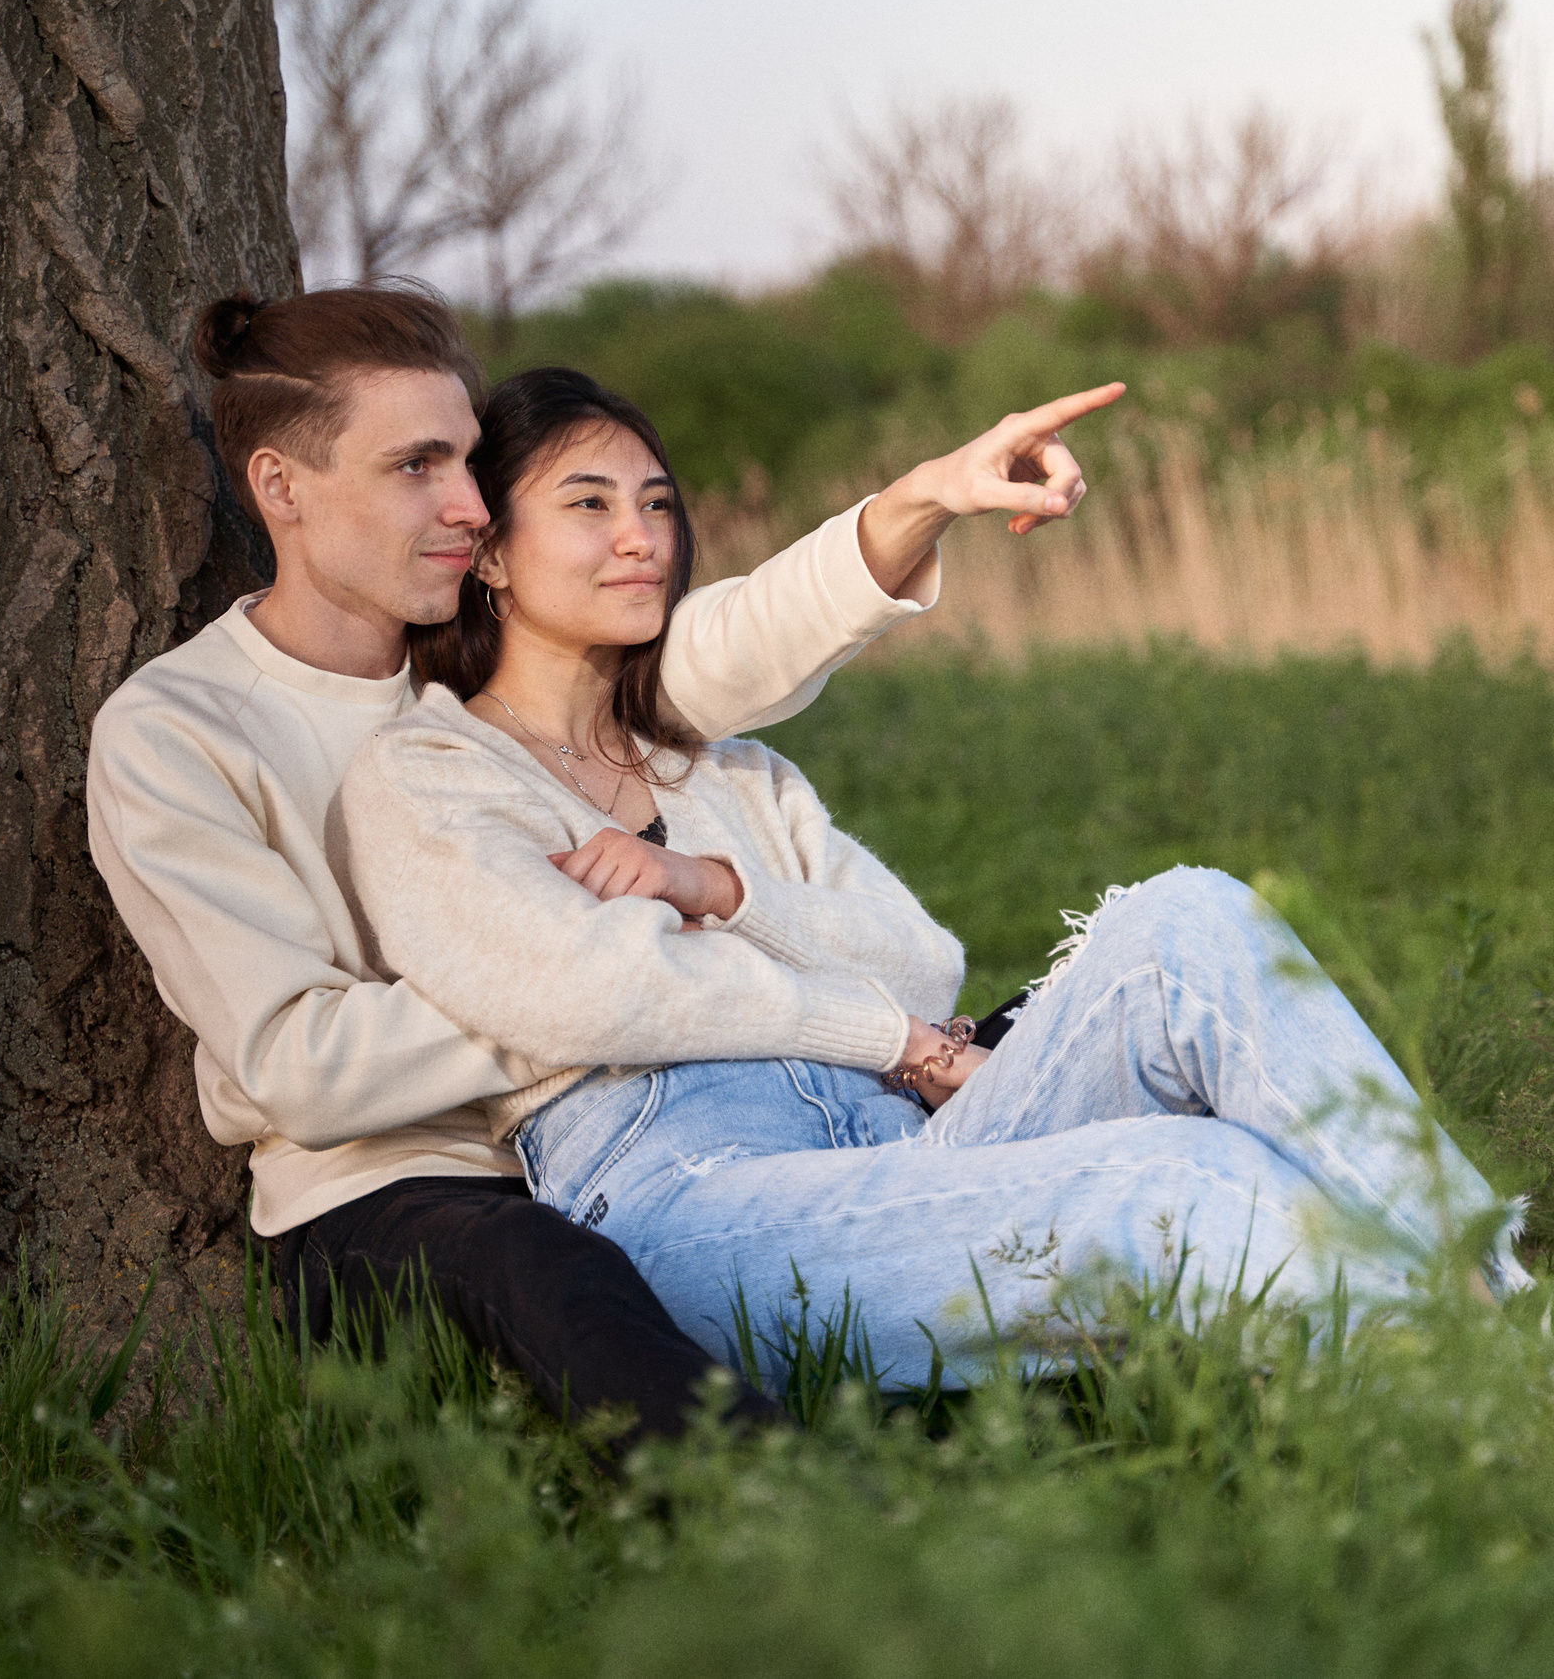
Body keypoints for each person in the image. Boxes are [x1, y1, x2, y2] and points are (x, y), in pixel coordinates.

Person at [347, 367, 1531, 1389]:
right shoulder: (432, 774)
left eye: (657, 503)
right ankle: (1515, 1395)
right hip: (691, 1196)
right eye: (589, 504)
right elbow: (595, 993)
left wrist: (720, 889)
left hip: (896, 1146)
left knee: (1189, 916)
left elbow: (921, 961)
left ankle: (1510, 1319)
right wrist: (888, 1038)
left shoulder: (729, 773)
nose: (641, 538)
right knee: (1183, 1173)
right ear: (490, 551)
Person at [86, 279, 1124, 1440]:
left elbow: (746, 635)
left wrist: (924, 499)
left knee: (1067, 1016)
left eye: (469, 463)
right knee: (552, 1273)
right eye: (415, 467)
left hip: (680, 1111)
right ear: (281, 486)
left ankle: (1146, 1277)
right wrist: (604, 978)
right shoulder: (179, 733)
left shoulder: (501, 654)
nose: (467, 507)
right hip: (412, 1187)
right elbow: (297, 1065)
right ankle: (789, 1508)